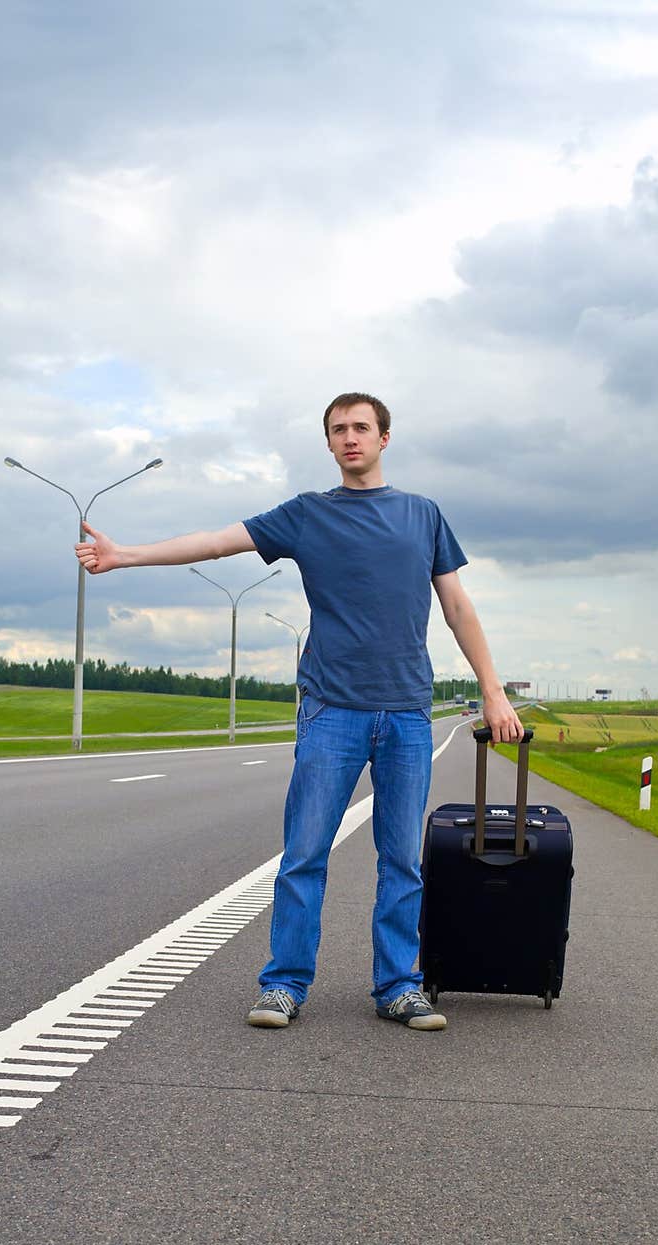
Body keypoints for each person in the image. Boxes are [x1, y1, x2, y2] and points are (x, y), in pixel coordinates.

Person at [74, 391, 524, 1032]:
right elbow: (215, 542)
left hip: (404, 714)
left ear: (384, 438)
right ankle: (283, 985)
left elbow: (457, 606)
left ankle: (398, 986)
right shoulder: (307, 515)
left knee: (400, 859)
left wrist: (493, 688)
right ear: (330, 442)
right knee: (305, 855)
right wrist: (125, 555)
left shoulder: (423, 515)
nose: (350, 438)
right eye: (339, 429)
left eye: (362, 428)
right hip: (330, 712)